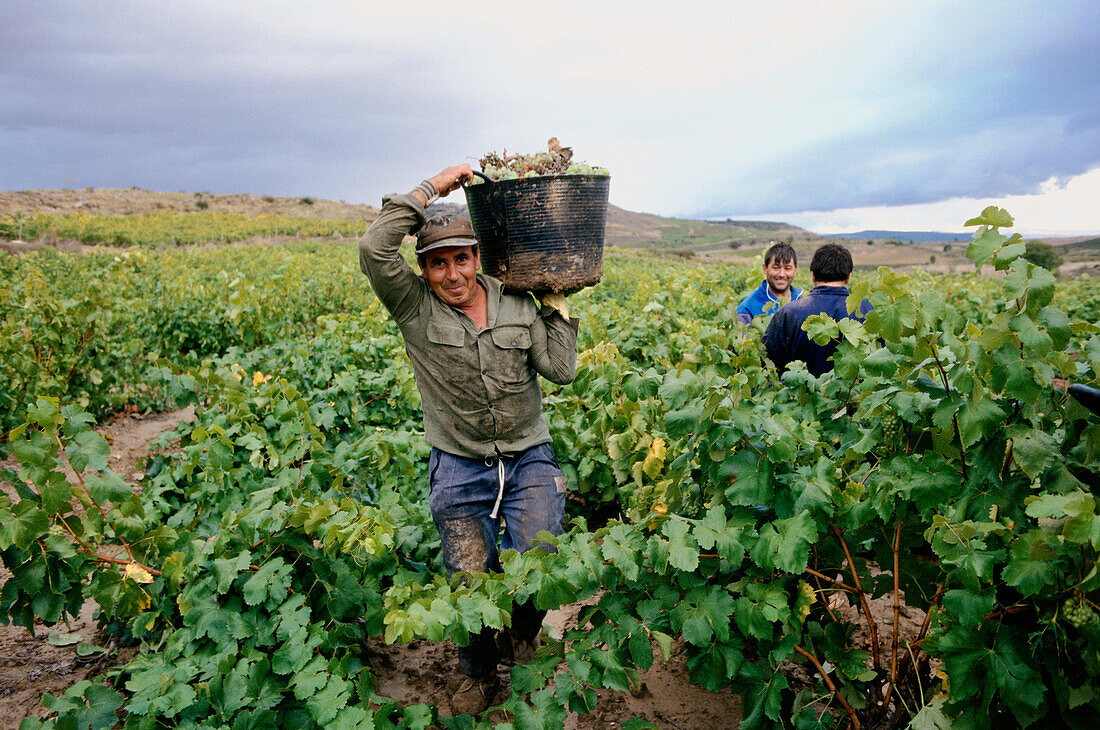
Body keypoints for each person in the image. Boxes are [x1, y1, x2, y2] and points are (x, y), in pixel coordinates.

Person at [358, 164, 578, 713]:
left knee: (538, 560)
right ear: (423, 268)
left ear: (478, 258)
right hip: (459, 462)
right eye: (437, 263)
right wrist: (432, 187)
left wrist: (559, 308)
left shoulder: (515, 298)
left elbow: (562, 370)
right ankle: (478, 672)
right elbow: (372, 247)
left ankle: (522, 639)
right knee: (469, 577)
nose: (452, 274)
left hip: (529, 454)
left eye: (461, 258)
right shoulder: (413, 307)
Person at [761, 242, 872, 377]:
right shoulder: (867, 311)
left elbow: (766, 366)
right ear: (849, 277)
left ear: (812, 275)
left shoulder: (788, 313)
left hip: (797, 397)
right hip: (854, 396)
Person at [736, 242, 804, 325]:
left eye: (787, 268)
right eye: (776, 268)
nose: (781, 274)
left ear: (795, 270)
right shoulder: (747, 309)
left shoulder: (803, 303)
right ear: (765, 269)